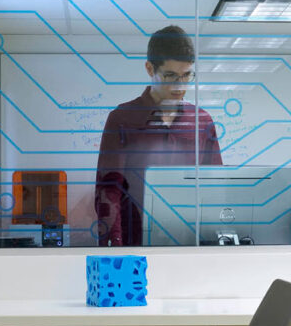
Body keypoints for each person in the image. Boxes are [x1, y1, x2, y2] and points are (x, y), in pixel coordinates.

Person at [94, 25, 222, 246]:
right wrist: (114, 249)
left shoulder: (202, 121)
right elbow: (109, 192)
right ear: (150, 68)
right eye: (170, 75)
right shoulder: (122, 118)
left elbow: (216, 186)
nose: (179, 85)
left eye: (186, 75)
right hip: (135, 244)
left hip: (190, 244)